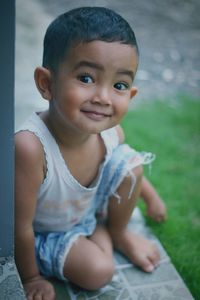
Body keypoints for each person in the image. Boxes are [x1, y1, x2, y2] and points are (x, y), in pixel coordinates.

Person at [15, 7, 167, 299]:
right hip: (46, 233)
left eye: (119, 85)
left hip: (84, 216)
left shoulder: (110, 133)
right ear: (46, 83)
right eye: (86, 78)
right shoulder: (31, 147)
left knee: (130, 162)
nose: (103, 98)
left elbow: (128, 171)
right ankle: (105, 234)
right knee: (99, 271)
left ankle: (118, 232)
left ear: (130, 95)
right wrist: (30, 277)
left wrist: (151, 197)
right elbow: (19, 226)